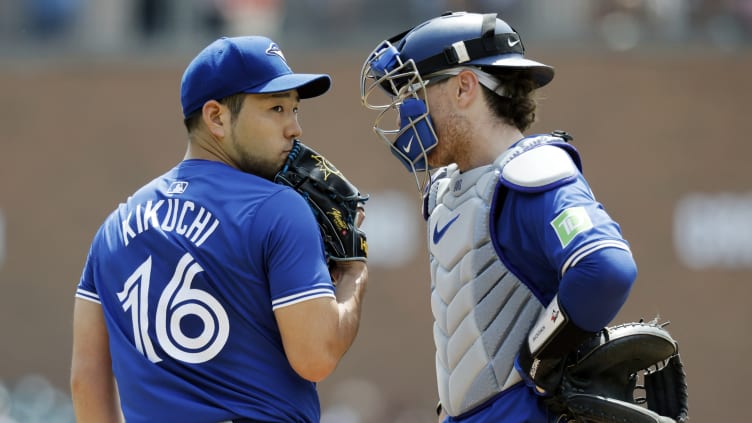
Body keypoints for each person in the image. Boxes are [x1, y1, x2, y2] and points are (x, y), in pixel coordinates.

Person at [70, 35, 369, 423]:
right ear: (216, 117)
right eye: (276, 108)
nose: (294, 128)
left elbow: (85, 380)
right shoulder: (277, 209)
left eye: (295, 109)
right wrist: (353, 271)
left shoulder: (113, 228)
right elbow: (316, 357)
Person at [359, 11, 637, 422]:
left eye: (413, 92)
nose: (406, 113)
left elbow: (605, 267)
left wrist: (540, 357)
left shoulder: (532, 172)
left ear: (464, 87)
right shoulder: (450, 188)